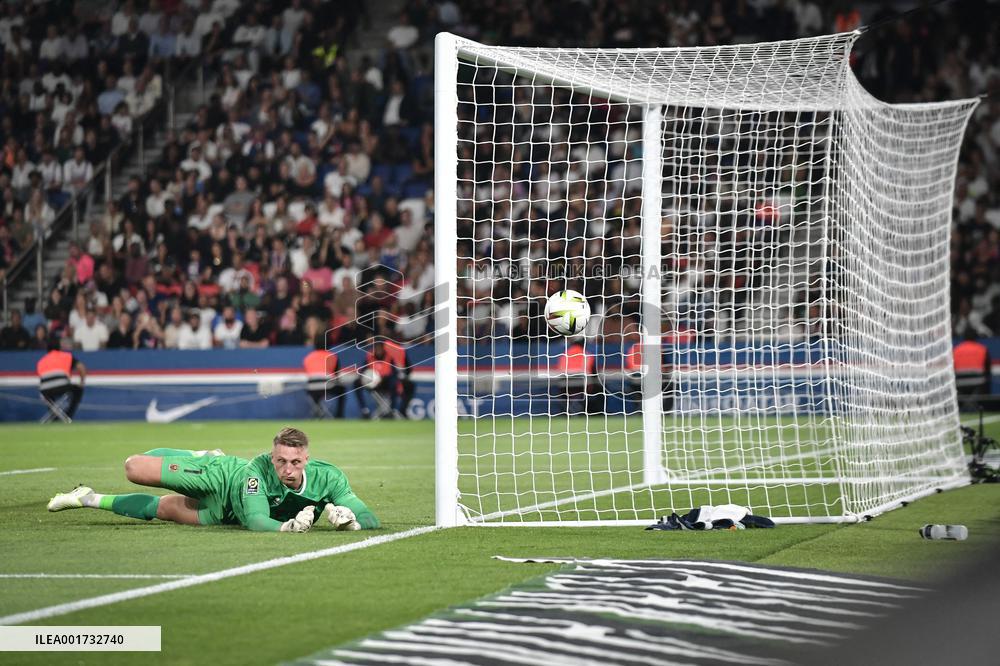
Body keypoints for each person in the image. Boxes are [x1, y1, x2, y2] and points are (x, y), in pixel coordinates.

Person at [47, 426, 379, 532]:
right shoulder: (256, 471)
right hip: (221, 480)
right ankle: (203, 456)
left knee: (162, 511)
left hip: (223, 515)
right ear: (272, 457)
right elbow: (256, 520)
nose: (287, 469)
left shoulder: (328, 477)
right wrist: (287, 528)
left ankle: (87, 497)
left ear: (306, 459)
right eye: (280, 461)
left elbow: (369, 517)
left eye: (294, 462)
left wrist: (352, 523)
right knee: (135, 467)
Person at [36, 338, 87, 421]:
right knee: (78, 390)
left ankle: (55, 418)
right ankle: (68, 416)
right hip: (62, 386)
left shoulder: (41, 361)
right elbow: (81, 367)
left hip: (44, 391)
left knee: (50, 399)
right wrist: (82, 382)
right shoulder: (66, 356)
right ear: (59, 347)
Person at [303, 336, 344, 418]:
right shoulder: (332, 356)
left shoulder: (308, 357)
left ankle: (318, 412)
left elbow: (308, 373)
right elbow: (336, 375)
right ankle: (339, 416)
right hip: (328, 386)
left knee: (315, 394)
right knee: (342, 390)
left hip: (311, 388)